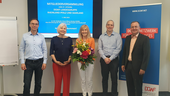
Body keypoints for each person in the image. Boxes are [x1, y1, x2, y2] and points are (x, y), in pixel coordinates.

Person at [121, 21, 150, 96]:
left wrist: (143, 68)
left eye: (136, 26)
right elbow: (125, 52)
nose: (134, 28)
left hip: (138, 67)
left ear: (139, 28)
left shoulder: (144, 39)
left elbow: (146, 55)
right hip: (128, 66)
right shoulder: (127, 38)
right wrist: (123, 63)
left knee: (138, 86)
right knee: (130, 86)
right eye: (132, 27)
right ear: (130, 28)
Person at [19, 19, 47, 96]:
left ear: (38, 25)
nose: (34, 25)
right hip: (28, 63)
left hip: (39, 62)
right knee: (27, 84)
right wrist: (22, 62)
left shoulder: (41, 37)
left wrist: (44, 62)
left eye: (36, 24)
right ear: (30, 25)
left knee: (38, 83)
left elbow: (44, 50)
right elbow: (21, 49)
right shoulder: (25, 36)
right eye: (33, 24)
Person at [98, 20, 122, 96]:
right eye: (108, 24)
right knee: (104, 78)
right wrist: (105, 58)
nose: (110, 26)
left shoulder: (117, 36)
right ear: (106, 26)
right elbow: (99, 48)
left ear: (113, 26)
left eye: (111, 25)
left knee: (114, 78)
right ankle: (104, 93)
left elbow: (118, 48)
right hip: (103, 60)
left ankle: (114, 94)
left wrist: (110, 58)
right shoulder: (101, 36)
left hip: (114, 60)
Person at [50, 23, 73, 96]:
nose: (63, 30)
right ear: (58, 29)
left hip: (67, 64)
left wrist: (69, 60)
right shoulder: (54, 39)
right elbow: (51, 52)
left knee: (66, 83)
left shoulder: (69, 39)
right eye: (61, 28)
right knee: (57, 82)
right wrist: (56, 61)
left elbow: (71, 52)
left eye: (64, 28)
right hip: (56, 64)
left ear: (66, 30)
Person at [76, 25, 95, 96]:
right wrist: (81, 59)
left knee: (89, 80)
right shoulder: (78, 40)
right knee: (82, 80)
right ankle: (84, 93)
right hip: (80, 62)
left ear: (88, 31)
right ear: (80, 31)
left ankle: (89, 94)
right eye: (82, 30)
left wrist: (86, 57)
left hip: (89, 61)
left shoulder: (92, 39)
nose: (84, 31)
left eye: (85, 30)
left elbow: (92, 51)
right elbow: (77, 52)